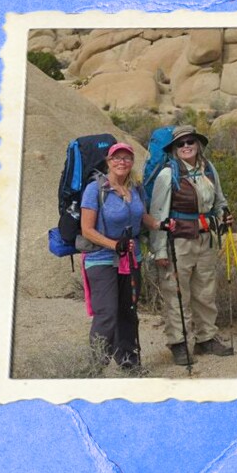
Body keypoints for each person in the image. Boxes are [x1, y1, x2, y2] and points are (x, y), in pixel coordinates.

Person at [149, 125, 234, 366]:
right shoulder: (168, 175)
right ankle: (179, 343)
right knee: (177, 293)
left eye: (190, 142)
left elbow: (219, 200)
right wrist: (160, 250)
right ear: (174, 149)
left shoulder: (208, 169)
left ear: (198, 145)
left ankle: (206, 338)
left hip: (206, 239)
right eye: (181, 144)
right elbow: (158, 213)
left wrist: (224, 214)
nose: (186, 146)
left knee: (206, 292)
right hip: (178, 242)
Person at [79, 141, 161, 370]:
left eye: (126, 158)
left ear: (132, 162)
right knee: (107, 313)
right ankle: (95, 366)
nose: (121, 162)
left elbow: (141, 215)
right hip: (101, 258)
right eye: (117, 158)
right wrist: (114, 245)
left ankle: (128, 361)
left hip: (131, 258)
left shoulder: (135, 187)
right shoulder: (95, 189)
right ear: (108, 161)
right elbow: (87, 230)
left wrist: (161, 224)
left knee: (128, 312)